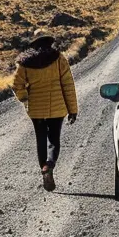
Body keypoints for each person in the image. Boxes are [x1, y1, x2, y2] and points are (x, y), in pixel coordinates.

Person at [13, 29, 78, 191]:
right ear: (49, 42)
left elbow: (17, 85)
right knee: (54, 140)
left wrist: (25, 98)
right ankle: (49, 164)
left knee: (40, 140)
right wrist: (72, 110)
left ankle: (43, 168)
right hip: (57, 109)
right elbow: (68, 85)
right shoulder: (58, 58)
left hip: (36, 109)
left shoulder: (25, 62)